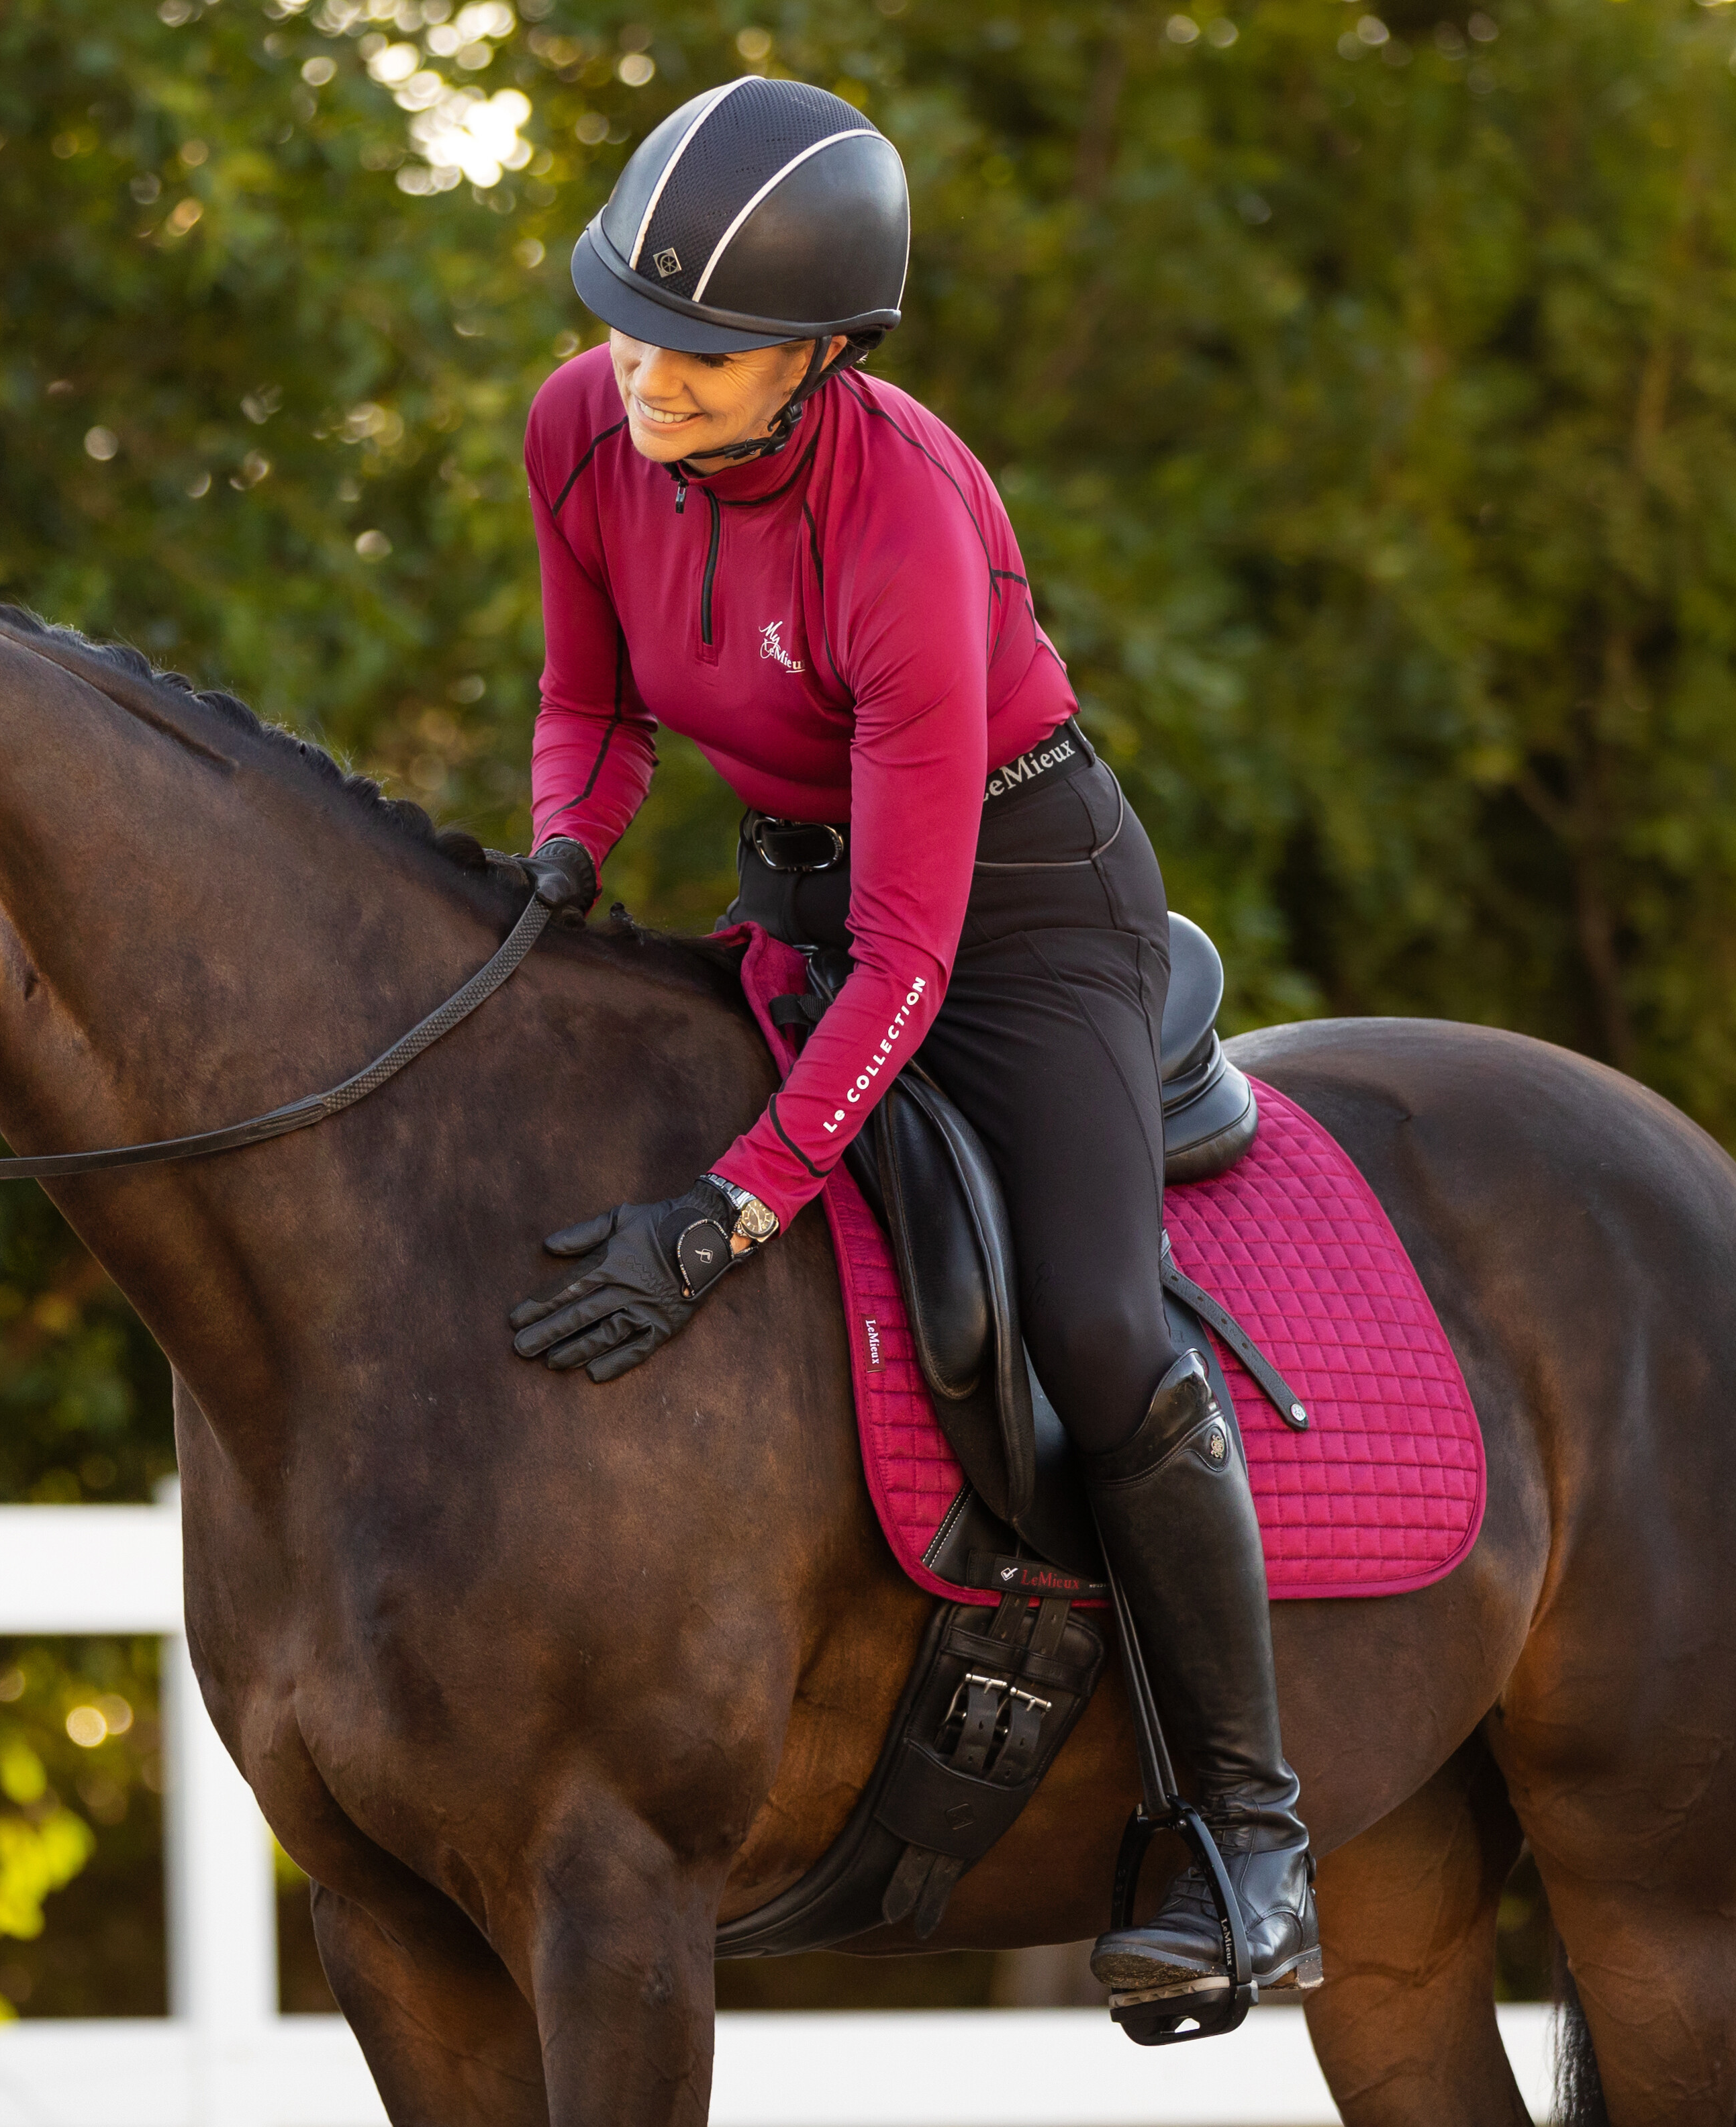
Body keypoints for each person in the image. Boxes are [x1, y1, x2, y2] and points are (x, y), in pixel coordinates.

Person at [497, 77, 1316, 2002]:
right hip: (796, 890)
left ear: (825, 355)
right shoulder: (578, 423)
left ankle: (1251, 1839)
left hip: (1017, 920)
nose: (647, 377)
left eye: (704, 352)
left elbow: (912, 955)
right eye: (631, 325)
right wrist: (561, 854)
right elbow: (591, 706)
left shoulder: (905, 530)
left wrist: (727, 1215)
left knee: (1097, 1326)